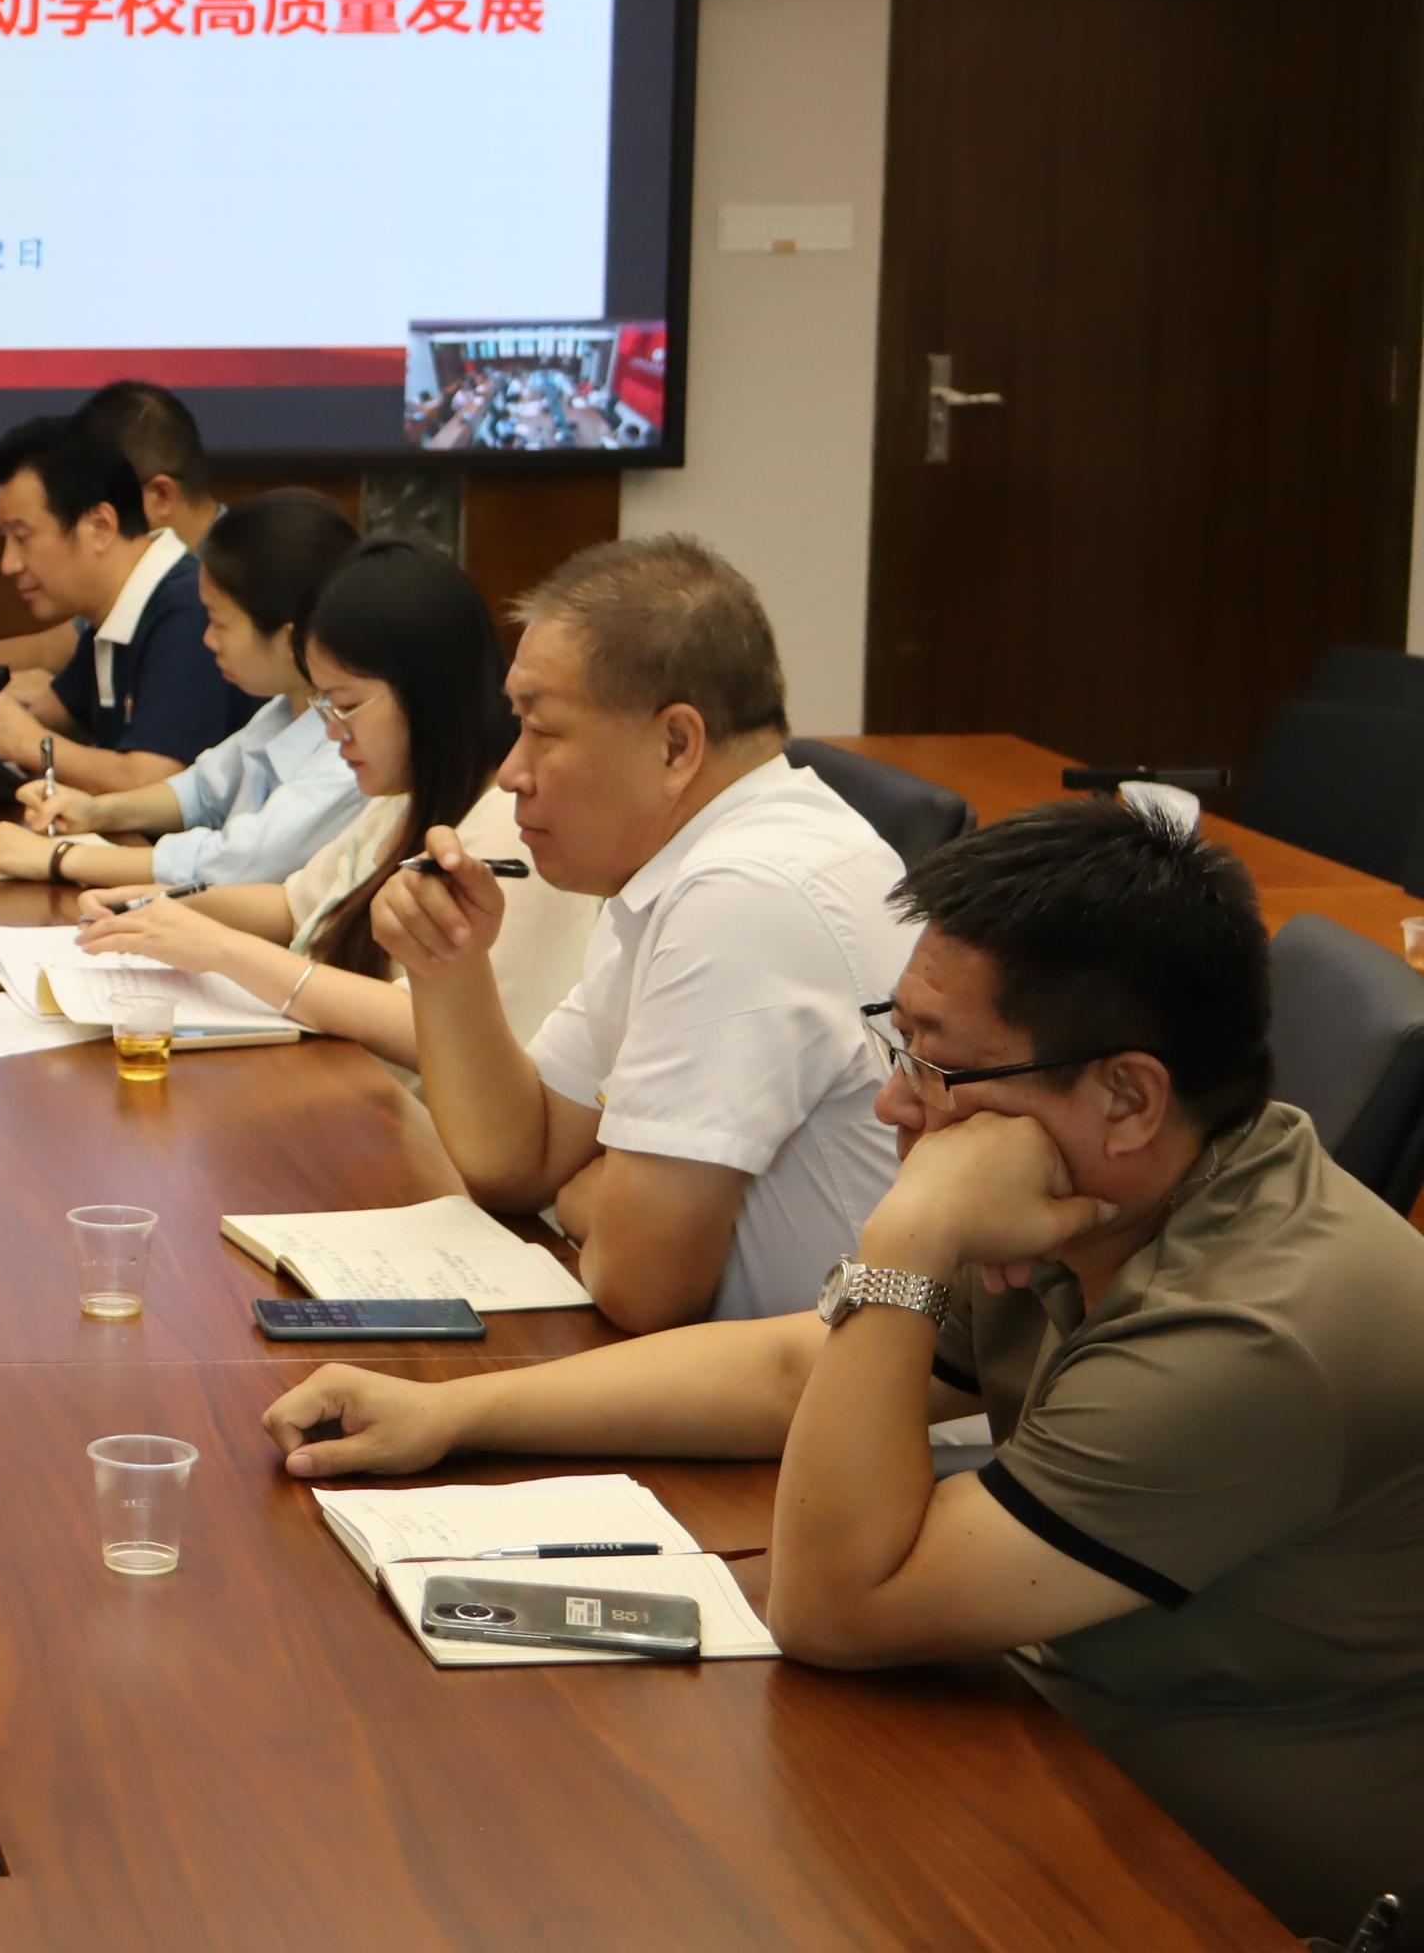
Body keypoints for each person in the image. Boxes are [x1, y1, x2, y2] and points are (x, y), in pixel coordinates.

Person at [264, 802, 1424, 1937]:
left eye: (939, 1066)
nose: (892, 1101)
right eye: (897, 1042)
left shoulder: (1249, 1335)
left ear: (1127, 1096)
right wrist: (456, 1414)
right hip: (1042, 1733)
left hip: (1213, 1877)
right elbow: (794, 1369)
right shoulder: (1110, 1182)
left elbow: (835, 1607)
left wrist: (908, 1236)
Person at [370, 535, 909, 1329]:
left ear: (675, 745)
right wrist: (447, 962)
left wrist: (589, 1197)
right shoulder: (679, 867)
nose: (512, 771)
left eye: (542, 730)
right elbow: (519, 1156)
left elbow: (639, 1284)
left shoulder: (743, 894)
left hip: (836, 1399)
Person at [72, 540, 597, 1065]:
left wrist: (221, 949)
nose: (331, 731)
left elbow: (440, 1031)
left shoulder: (515, 826)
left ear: (426, 689)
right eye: (322, 705)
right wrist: (161, 907)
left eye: (345, 705)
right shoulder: (409, 794)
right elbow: (295, 904)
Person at [0, 489, 361, 892]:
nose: (208, 640)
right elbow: (202, 789)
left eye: (220, 624)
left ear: (289, 639)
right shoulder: (288, 707)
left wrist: (57, 858)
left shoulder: (350, 752)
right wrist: (97, 811)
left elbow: (238, 861)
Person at [0, 415, 254, 798]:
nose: (9, 564)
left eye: (22, 537)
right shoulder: (109, 616)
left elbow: (154, 781)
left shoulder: (189, 610)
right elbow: (49, 715)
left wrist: (29, 743)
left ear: (101, 526)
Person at [0, 378, 219, 685]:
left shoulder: (217, 585)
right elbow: (52, 650)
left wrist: (23, 734)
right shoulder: (121, 594)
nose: (9, 564)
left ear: (160, 495)